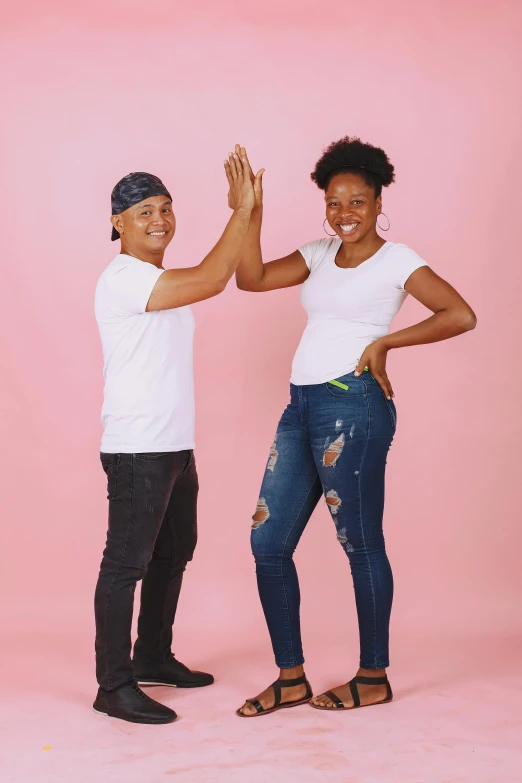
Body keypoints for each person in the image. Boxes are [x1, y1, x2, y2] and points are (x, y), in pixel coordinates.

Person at [228, 138, 476, 717]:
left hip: (354, 405)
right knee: (267, 542)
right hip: (301, 408)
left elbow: (460, 313)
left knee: (359, 543)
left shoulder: (399, 261)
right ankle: (291, 678)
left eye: (357, 201)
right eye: (335, 203)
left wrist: (386, 341)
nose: (345, 214)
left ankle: (373, 676)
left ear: (378, 199)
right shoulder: (317, 253)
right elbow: (252, 278)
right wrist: (250, 213)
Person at [93, 149, 263, 724]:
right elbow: (216, 278)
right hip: (138, 446)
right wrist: (240, 210)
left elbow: (220, 275)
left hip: (172, 444)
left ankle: (153, 656)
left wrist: (249, 214)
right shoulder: (122, 278)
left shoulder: (157, 278)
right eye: (144, 211)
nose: (159, 219)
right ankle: (112, 685)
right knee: (126, 563)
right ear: (117, 222)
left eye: (166, 208)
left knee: (174, 552)